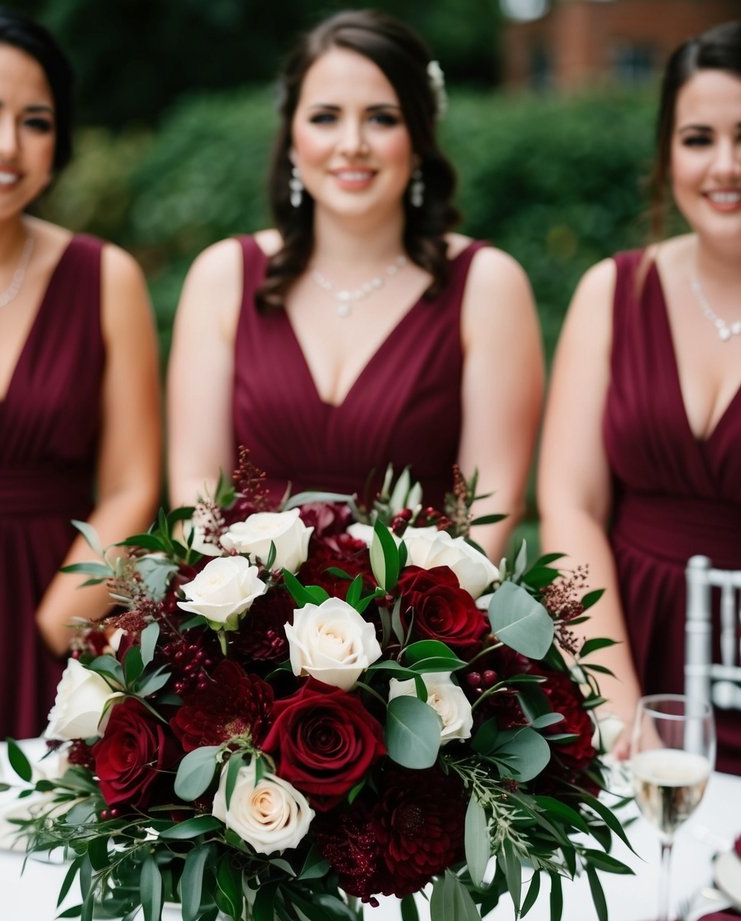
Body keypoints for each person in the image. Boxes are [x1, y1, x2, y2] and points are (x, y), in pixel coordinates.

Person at [167, 8, 543, 563]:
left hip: (417, 636)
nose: (352, 143)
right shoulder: (223, 276)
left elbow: (485, 516)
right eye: (324, 117)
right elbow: (196, 496)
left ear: (418, 135)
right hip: (245, 629)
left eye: (381, 118)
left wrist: (404, 641)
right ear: (292, 136)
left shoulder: (488, 285)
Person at [0, 5, 161, 743]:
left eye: (37, 121)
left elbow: (132, 484)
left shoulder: (104, 276)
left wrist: (58, 626)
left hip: (66, 613)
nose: (7, 144)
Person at [537, 20, 741, 773]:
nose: (724, 166)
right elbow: (569, 504)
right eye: (697, 138)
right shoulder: (613, 292)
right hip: (622, 656)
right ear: (665, 153)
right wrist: (616, 707)